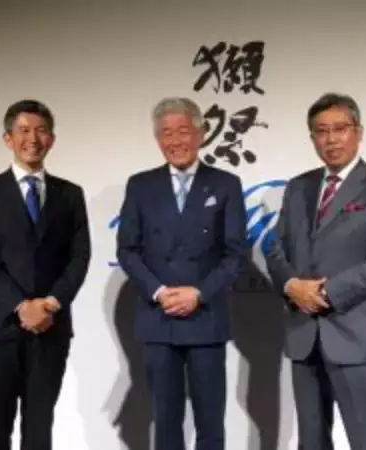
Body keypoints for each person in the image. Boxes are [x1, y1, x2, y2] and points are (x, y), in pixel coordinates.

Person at [265, 92, 366, 450]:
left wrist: (325, 293)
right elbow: (276, 249)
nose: (331, 139)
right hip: (303, 335)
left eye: (339, 129)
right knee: (311, 441)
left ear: (358, 132)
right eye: (321, 131)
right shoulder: (298, 187)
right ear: (312, 137)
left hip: (357, 336)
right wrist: (292, 285)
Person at [116, 97, 247, 450]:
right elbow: (127, 250)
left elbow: (235, 253)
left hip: (206, 317)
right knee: (165, 421)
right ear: (158, 139)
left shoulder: (225, 184)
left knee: (210, 423)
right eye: (166, 133)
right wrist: (159, 292)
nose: (175, 141)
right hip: (158, 318)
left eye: (183, 131)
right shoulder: (140, 186)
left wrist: (199, 294)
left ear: (201, 133)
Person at [0, 99, 91, 450]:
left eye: (41, 131)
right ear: (8, 138)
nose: (32, 139)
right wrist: (22, 305)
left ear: (52, 139)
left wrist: (50, 304)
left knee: (39, 430)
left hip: (51, 327)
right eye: (23, 131)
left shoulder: (70, 194)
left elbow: (79, 257)